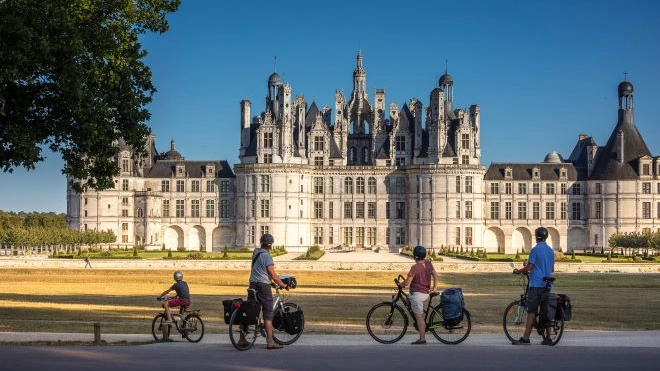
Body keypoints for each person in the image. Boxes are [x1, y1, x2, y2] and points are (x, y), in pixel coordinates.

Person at [511, 226, 555, 345]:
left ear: (537, 237)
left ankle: (525, 338)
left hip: (536, 283)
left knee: (532, 310)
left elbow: (529, 267)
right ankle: (548, 338)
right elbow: (551, 268)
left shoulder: (535, 250)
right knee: (545, 310)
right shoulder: (551, 250)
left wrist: (519, 271)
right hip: (548, 284)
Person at [244, 233, 289, 349]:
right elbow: (273, 275)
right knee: (268, 314)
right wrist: (282, 284)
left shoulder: (256, 252)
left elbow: (260, 270)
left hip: (252, 284)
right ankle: (270, 342)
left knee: (251, 311)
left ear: (261, 242)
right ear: (271, 245)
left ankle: (241, 339)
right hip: (263, 286)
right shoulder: (267, 257)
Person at [399, 245, 438, 344]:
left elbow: (407, 283)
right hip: (426, 293)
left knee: (419, 317)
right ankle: (420, 320)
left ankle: (422, 338)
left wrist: (400, 284)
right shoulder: (428, 263)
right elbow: (435, 275)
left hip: (418, 295)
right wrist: (435, 287)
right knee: (409, 298)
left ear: (415, 256)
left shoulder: (415, 267)